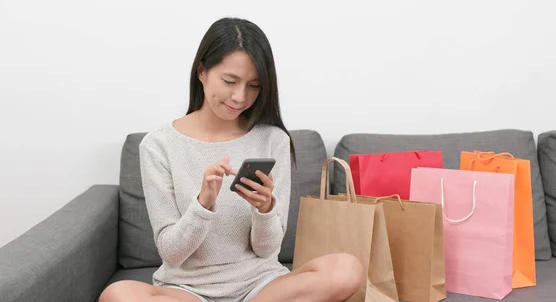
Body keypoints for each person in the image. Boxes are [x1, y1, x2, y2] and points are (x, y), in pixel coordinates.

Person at [99, 17, 363, 302]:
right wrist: (202, 205)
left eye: (254, 86)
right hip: (188, 291)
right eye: (229, 81)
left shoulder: (273, 140)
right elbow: (171, 254)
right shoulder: (158, 145)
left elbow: (267, 251)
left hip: (261, 289)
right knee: (117, 295)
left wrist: (264, 209)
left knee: (346, 269)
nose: (240, 97)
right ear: (202, 71)